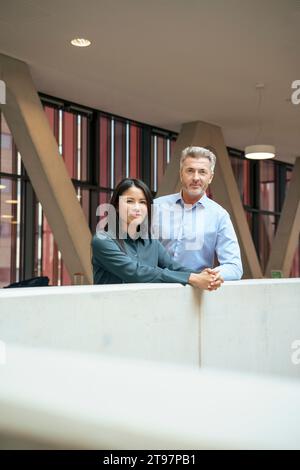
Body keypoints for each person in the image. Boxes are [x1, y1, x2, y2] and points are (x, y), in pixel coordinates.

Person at [92, 178, 223, 291]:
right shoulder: (103, 240)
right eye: (130, 201)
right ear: (116, 205)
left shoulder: (151, 241)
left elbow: (173, 267)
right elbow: (135, 273)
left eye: (142, 202)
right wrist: (191, 278)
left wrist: (205, 275)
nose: (137, 208)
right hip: (110, 314)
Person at [154, 146, 243, 282]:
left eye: (202, 172)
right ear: (181, 174)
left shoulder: (219, 216)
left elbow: (234, 267)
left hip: (195, 293)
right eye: (190, 171)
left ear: (210, 177)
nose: (196, 178)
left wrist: (209, 276)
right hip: (153, 289)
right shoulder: (156, 207)